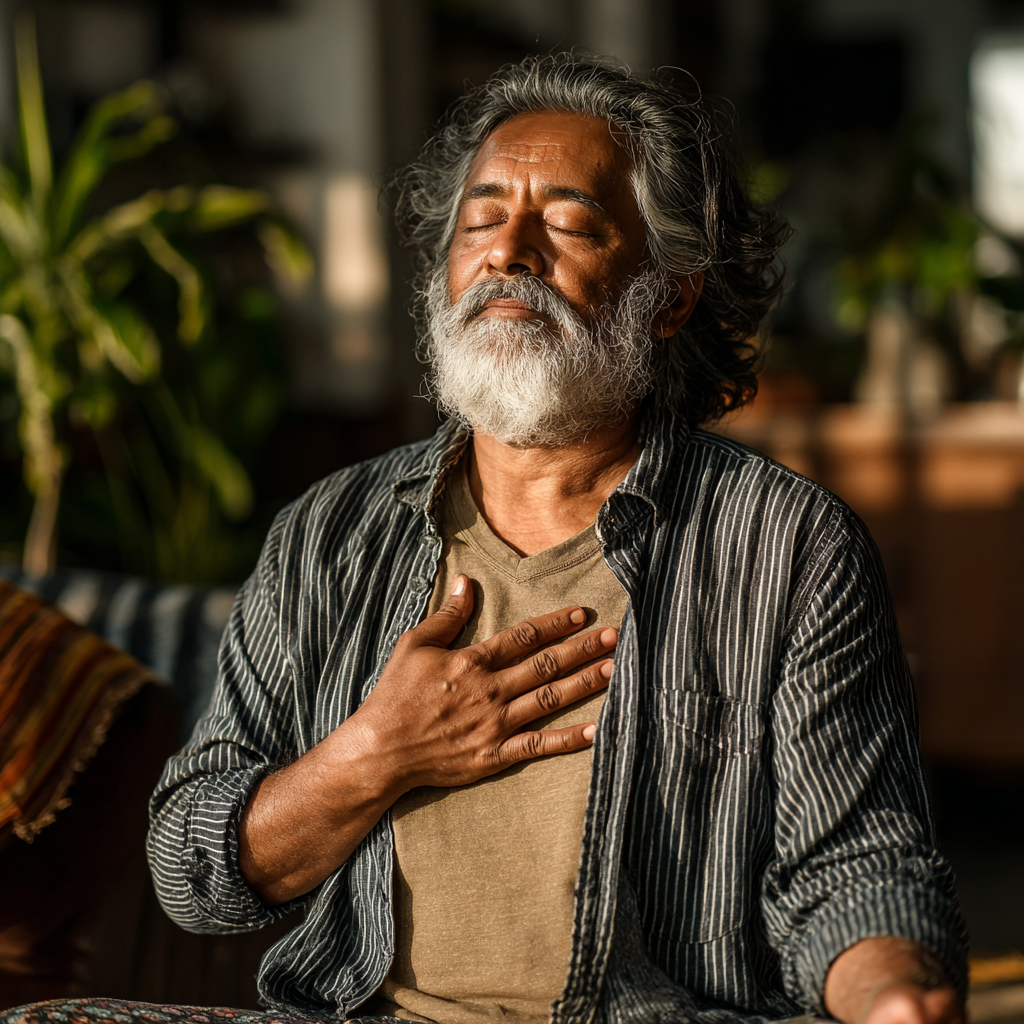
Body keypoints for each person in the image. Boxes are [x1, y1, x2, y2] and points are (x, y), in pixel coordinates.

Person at [3, 54, 966, 1024]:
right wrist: (375, 752)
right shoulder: (330, 533)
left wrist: (888, 996)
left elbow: (855, 863)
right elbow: (190, 871)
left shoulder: (786, 547)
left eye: (571, 223)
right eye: (481, 218)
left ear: (670, 295)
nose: (509, 250)